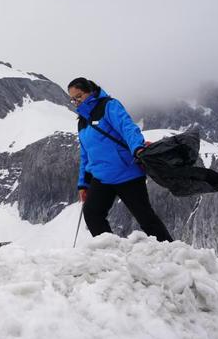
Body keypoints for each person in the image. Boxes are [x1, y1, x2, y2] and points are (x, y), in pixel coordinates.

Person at [68, 77, 172, 242]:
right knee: (92, 214)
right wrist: (83, 183)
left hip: (127, 173)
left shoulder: (109, 106)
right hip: (102, 177)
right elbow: (85, 154)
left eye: (78, 96)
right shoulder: (82, 122)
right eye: (73, 99)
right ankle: (110, 251)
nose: (76, 101)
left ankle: (171, 250)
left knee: (145, 218)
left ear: (90, 92)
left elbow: (127, 127)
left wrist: (138, 147)